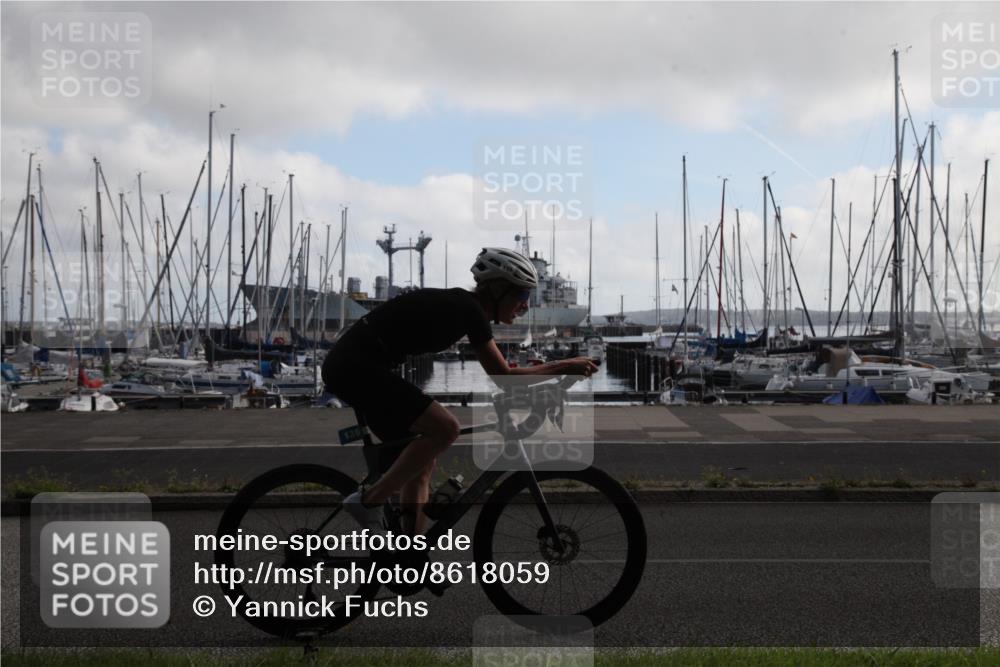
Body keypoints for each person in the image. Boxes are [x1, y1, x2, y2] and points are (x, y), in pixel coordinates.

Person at [322, 247, 597, 535]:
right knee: (446, 428)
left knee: (420, 464)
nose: (525, 305)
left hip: (358, 366)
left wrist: (545, 371)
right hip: (355, 368)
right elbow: (503, 376)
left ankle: (411, 553)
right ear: (498, 289)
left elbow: (503, 372)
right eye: (522, 294)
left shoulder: (465, 307)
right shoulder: (469, 309)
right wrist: (566, 365)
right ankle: (369, 501)